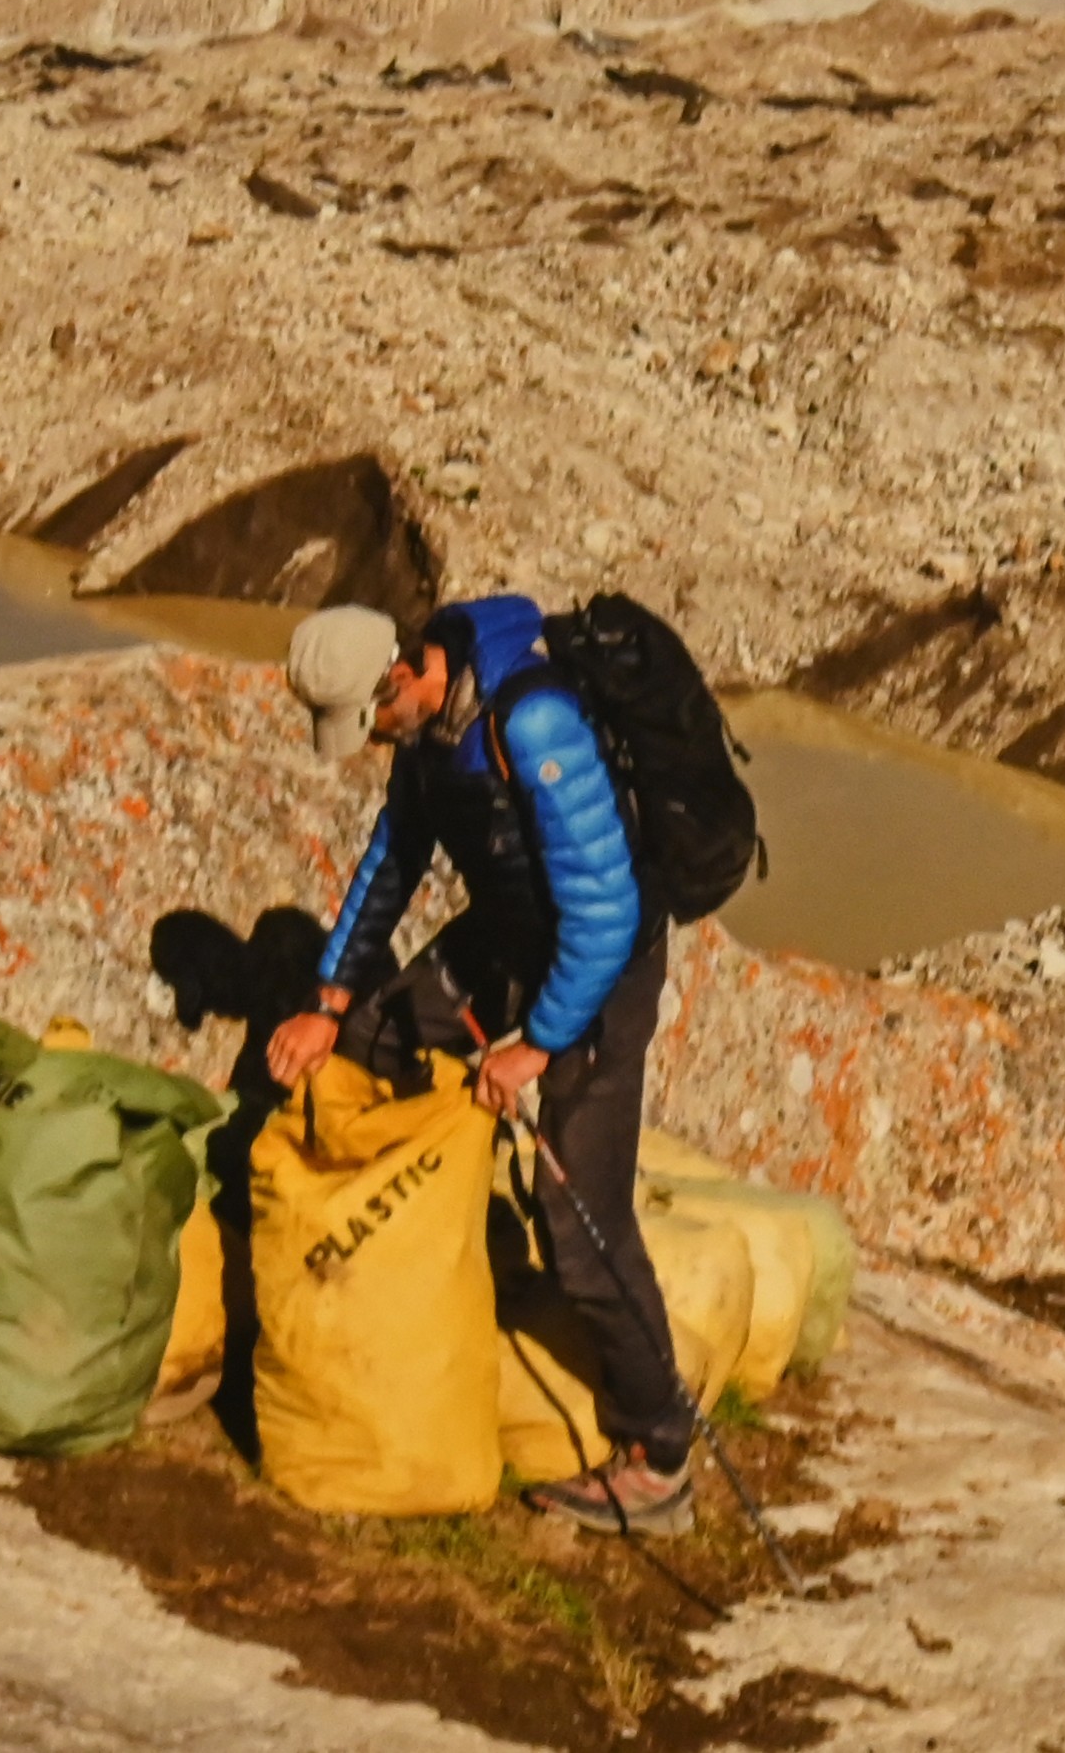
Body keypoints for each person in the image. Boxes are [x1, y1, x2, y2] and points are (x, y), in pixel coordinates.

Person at [272, 597, 695, 1534]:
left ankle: (660, 1452)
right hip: (512, 935)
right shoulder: (429, 736)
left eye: (371, 719)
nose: (374, 740)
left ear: (401, 678)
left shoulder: (532, 722)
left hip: (603, 970)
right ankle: (425, 1234)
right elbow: (391, 864)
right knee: (381, 1036)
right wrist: (328, 1002)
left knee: (579, 1223)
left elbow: (604, 918)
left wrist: (534, 1048)